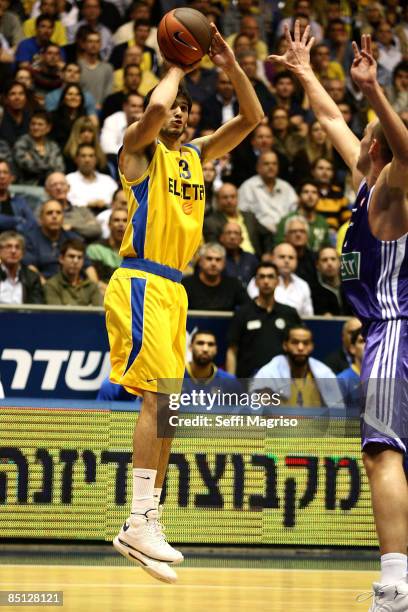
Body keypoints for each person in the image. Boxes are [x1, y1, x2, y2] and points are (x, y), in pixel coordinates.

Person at [104, 22, 263, 583]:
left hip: (175, 289)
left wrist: (228, 63)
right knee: (154, 399)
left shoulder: (196, 156)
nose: (177, 114)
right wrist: (176, 61)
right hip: (141, 280)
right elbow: (149, 114)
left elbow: (252, 120)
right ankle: (138, 517)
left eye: (185, 110)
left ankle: (145, 522)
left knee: (168, 406)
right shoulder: (139, 155)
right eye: (174, 108)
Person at [269, 25, 408, 605]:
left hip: (393, 330)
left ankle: (396, 585)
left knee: (381, 455)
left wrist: (375, 92)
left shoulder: (390, 193)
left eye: (366, 135)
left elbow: (405, 148)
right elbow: (329, 119)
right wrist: (304, 73)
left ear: (375, 149)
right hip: (390, 331)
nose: (355, 139)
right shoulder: (366, 182)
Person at [226, 262, 300, 378]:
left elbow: (298, 347)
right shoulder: (242, 313)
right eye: (262, 276)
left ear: (277, 281)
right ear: (255, 282)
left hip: (282, 379)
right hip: (248, 379)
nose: (266, 281)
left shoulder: (289, 313)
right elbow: (232, 350)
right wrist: (230, 381)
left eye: (270, 276)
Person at [251, 324, 342, 408]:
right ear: (285, 345)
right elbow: (259, 414)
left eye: (306, 343)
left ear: (312, 346)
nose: (300, 348)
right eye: (295, 342)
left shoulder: (324, 373)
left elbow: (338, 412)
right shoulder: (269, 373)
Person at [23, 199, 96, 283]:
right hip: (43, 286)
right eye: (49, 213)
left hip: (72, 286)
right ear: (41, 218)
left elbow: (88, 267)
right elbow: (30, 268)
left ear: (63, 217)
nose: (54, 216)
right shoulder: (30, 238)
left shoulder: (73, 238)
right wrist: (47, 289)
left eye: (58, 213)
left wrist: (95, 288)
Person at [238, 151, 298, 236]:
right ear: (258, 167)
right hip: (258, 234)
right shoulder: (248, 187)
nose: (271, 167)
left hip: (284, 233)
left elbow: (294, 212)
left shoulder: (286, 187)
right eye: (266, 164)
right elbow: (242, 214)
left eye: (274, 164)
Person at [182, 243, 248, 311]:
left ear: (224, 263)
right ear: (200, 262)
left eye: (218, 259)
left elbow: (248, 307)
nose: (213, 263)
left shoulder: (234, 285)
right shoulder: (186, 285)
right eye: (209, 259)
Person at [44, 171, 102, 242]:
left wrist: (72, 227)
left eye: (62, 184)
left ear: (68, 188)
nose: (58, 187)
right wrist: (84, 226)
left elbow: (96, 230)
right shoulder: (43, 211)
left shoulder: (82, 210)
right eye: (54, 185)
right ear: (47, 190)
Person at [44, 238, 102, 306]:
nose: (75, 261)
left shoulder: (92, 286)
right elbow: (56, 315)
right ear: (61, 259)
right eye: (71, 256)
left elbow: (98, 314)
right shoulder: (52, 285)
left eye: (79, 257)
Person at [275, 181, 330, 252]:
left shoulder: (323, 222)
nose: (310, 196)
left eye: (314, 192)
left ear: (318, 197)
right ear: (298, 197)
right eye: (306, 192)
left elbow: (326, 247)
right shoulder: (287, 220)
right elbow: (279, 246)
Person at [12, 110, 64, 185]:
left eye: (40, 124)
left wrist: (34, 159)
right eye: (33, 124)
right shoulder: (21, 143)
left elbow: (60, 168)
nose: (36, 127)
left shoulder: (53, 146)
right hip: (26, 186)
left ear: (48, 128)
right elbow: (27, 166)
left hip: (50, 185)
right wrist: (49, 166)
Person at [184, 329, 242, 396]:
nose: (205, 349)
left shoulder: (230, 382)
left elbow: (240, 406)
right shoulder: (176, 377)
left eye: (210, 344)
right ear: (190, 347)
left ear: (216, 349)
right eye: (200, 343)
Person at [65, 143, 118, 210]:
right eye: (83, 156)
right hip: (78, 216)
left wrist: (104, 204)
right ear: (76, 159)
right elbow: (66, 202)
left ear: (96, 159)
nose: (87, 160)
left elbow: (117, 201)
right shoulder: (68, 180)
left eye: (91, 156)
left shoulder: (108, 181)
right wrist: (88, 204)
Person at [0, 230, 44, 304]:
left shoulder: (32, 277)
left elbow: (36, 308)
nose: (13, 251)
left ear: (23, 253)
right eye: (8, 246)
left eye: (17, 247)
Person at [272, 242, 314, 317]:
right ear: (272, 259)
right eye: (282, 257)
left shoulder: (303, 285)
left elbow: (308, 317)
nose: (287, 261)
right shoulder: (261, 279)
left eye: (291, 257)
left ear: (296, 261)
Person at [311, 246, 353, 315]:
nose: (329, 263)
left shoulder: (351, 287)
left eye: (333, 259)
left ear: (340, 263)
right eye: (324, 260)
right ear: (317, 265)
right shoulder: (313, 291)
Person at [0, 159, 37, 235]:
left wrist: (16, 227)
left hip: (18, 243)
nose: (2, 176)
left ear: (11, 177)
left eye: (5, 172)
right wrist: (18, 220)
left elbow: (32, 223)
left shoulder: (20, 201)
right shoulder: (18, 219)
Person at [218, 221, 258, 287]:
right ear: (221, 238)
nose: (232, 237)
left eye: (236, 233)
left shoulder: (251, 258)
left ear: (242, 239)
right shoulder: (215, 259)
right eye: (228, 233)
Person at [337, 325, 365, 412]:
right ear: (352, 348)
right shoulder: (341, 380)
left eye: (372, 340)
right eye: (362, 341)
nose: (368, 345)